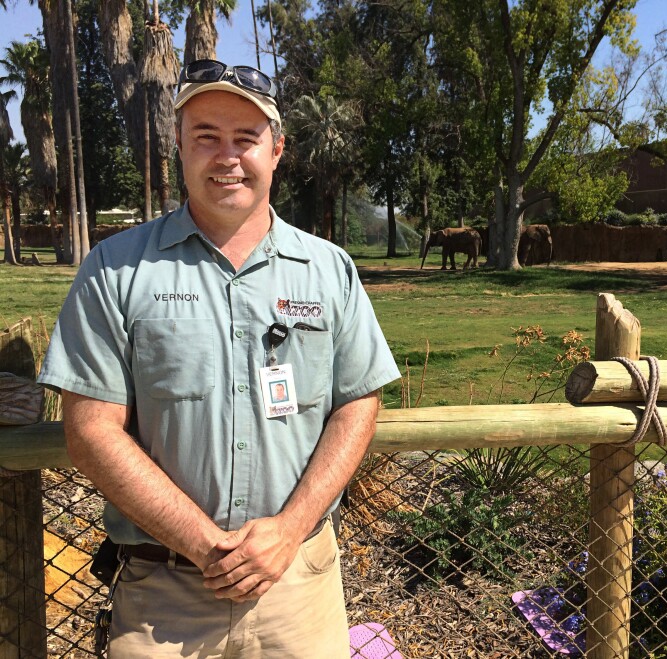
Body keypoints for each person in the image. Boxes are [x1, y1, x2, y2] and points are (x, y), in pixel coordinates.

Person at [37, 59, 400, 658]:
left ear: (276, 150)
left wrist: (287, 532)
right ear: (178, 146)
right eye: (206, 136)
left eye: (246, 138)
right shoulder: (115, 270)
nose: (226, 156)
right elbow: (90, 430)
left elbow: (358, 401)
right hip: (163, 599)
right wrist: (208, 546)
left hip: (298, 588)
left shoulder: (330, 270)